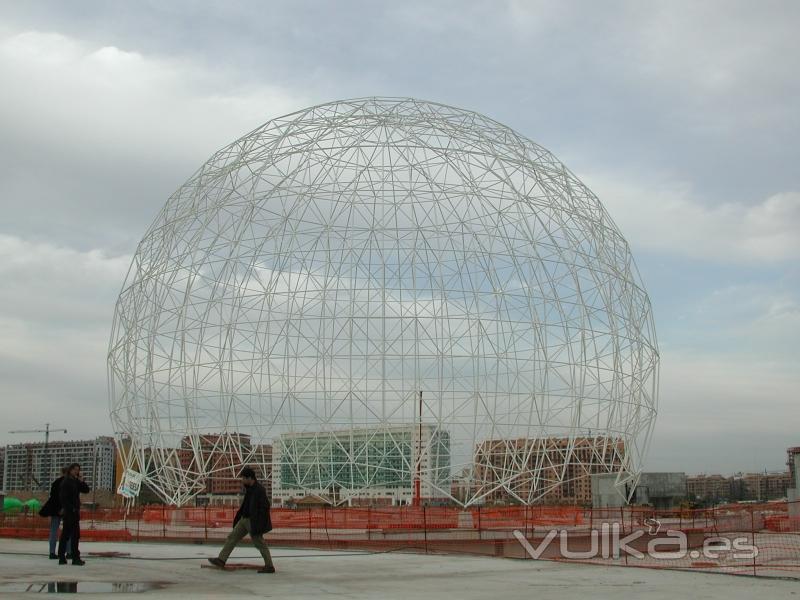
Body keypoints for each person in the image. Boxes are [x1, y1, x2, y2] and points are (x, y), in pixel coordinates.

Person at [207, 467, 275, 573]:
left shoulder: (259, 490)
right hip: (244, 520)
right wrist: (239, 517)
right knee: (232, 537)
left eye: (243, 478)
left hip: (253, 521)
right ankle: (221, 560)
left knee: (259, 543)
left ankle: (269, 566)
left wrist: (258, 523)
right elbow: (246, 505)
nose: (242, 480)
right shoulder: (249, 489)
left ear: (250, 478)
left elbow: (265, 507)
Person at [39, 467, 75, 559]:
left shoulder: (55, 483)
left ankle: (52, 552)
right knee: (68, 531)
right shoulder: (69, 483)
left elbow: (53, 497)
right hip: (66, 509)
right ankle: (69, 552)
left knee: (53, 531)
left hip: (55, 510)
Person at [57, 463, 89, 566]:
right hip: (69, 513)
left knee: (74, 535)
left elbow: (86, 490)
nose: (76, 471)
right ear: (70, 470)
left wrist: (81, 480)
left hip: (74, 512)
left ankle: (73, 557)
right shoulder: (66, 482)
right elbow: (63, 498)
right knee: (68, 535)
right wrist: (71, 509)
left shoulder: (75, 481)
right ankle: (64, 557)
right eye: (75, 469)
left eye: (78, 470)